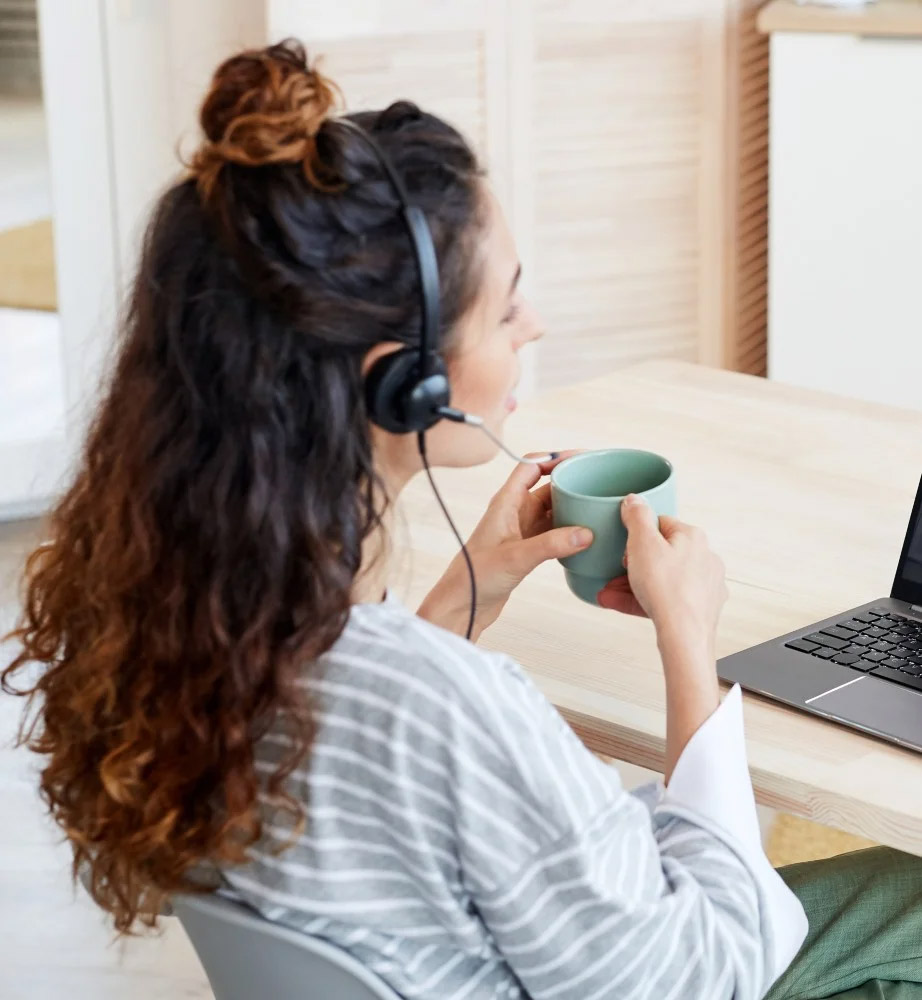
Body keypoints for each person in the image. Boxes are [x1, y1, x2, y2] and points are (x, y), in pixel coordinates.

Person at [4, 39, 922, 1000]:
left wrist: (469, 590)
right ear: (407, 380)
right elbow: (707, 970)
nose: (535, 327)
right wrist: (690, 641)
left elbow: (364, 715)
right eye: (505, 305)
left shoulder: (172, 617)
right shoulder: (452, 710)